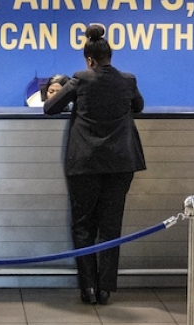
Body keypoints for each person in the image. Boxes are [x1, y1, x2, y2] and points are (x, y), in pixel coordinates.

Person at [44, 24, 145, 305]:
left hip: (84, 162)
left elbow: (50, 108)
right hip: (120, 163)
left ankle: (87, 288)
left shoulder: (80, 79)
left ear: (88, 59)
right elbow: (139, 106)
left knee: (83, 224)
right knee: (111, 226)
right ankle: (105, 288)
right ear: (109, 56)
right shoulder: (128, 80)